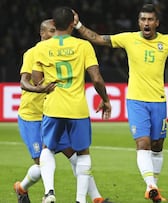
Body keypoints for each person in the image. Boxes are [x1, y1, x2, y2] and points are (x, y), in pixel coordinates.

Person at [73, 4, 168, 202]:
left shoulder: (166, 42)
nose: (146, 23)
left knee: (158, 145)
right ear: (139, 22)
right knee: (143, 143)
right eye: (143, 19)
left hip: (158, 101)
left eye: (150, 19)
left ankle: (155, 190)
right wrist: (78, 25)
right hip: (136, 100)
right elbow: (98, 39)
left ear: (157, 22)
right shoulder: (129, 38)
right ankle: (151, 186)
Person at [14, 19, 113, 203]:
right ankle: (22, 187)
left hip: (52, 113)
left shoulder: (62, 51)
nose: (54, 34)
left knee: (76, 158)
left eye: (55, 30)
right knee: (40, 165)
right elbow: (24, 82)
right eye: (50, 31)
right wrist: (39, 89)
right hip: (32, 117)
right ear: (42, 33)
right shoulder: (33, 53)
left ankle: (97, 198)